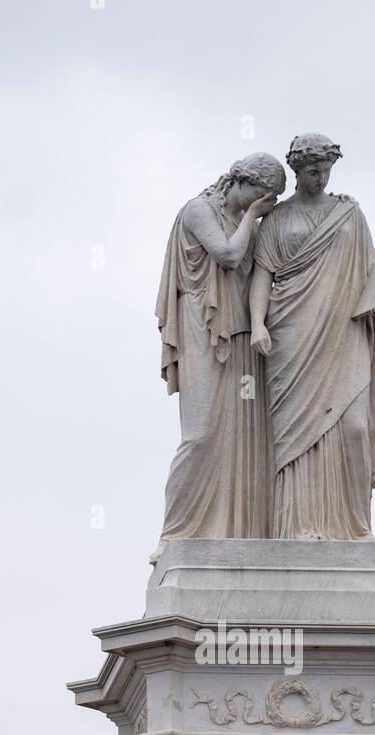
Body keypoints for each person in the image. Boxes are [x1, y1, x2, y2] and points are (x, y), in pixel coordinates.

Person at [250, 132, 375, 540]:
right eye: (310, 172)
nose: (319, 178)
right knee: (296, 435)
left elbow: (370, 269)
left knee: (354, 427)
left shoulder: (349, 214)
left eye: (324, 170)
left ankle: (355, 528)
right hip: (292, 333)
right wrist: (256, 324)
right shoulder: (278, 219)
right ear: (296, 171)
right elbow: (262, 275)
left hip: (345, 330)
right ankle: (299, 527)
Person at [152, 152, 287, 559]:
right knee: (202, 432)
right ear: (239, 183)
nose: (265, 207)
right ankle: (174, 533)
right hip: (203, 326)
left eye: (272, 201)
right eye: (262, 197)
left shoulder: (253, 225)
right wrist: (253, 218)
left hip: (242, 330)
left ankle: (238, 530)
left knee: (244, 434)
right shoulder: (199, 210)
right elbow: (227, 257)